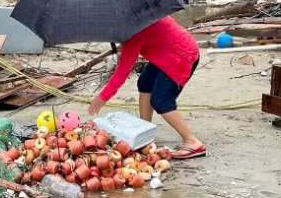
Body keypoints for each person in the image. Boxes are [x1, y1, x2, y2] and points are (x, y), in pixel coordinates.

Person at [87, 16, 205, 159]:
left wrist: (102, 98)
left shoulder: (134, 32)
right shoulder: (137, 15)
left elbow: (122, 73)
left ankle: (193, 142)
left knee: (161, 101)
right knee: (145, 82)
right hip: (170, 51)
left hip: (183, 56)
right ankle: (145, 133)